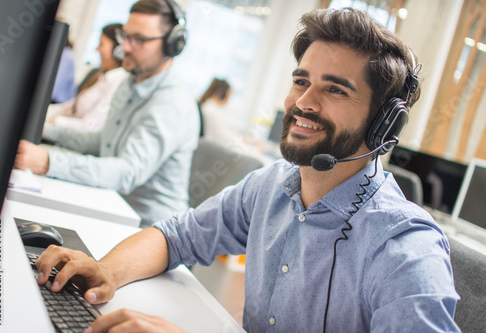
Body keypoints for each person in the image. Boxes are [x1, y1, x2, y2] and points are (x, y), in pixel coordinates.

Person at [34, 8, 460, 332]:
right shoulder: (272, 185)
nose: (303, 102)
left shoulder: (406, 251)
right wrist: (108, 270)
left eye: (335, 89)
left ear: (384, 121)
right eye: (301, 81)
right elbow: (177, 236)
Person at [15, 0, 199, 228]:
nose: (126, 48)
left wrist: (48, 161)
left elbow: (126, 172)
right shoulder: (129, 82)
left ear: (172, 45)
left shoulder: (172, 103)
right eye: (125, 35)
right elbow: (104, 141)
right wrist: (46, 131)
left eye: (139, 39)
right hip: (112, 208)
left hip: (153, 232)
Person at [45, 23, 129, 132]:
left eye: (101, 44)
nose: (97, 49)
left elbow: (89, 126)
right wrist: (43, 112)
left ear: (118, 52)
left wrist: (55, 120)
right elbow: (71, 107)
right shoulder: (102, 77)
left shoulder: (117, 83)